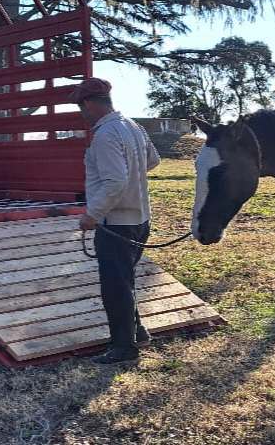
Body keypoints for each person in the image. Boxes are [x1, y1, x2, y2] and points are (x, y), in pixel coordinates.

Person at [72, 77, 161, 364]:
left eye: (81, 107)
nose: (81, 114)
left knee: (115, 285)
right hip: (140, 218)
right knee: (125, 279)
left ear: (89, 103)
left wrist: (92, 214)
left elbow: (114, 181)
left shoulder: (105, 135)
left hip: (116, 223)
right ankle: (138, 332)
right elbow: (153, 161)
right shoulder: (132, 126)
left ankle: (124, 347)